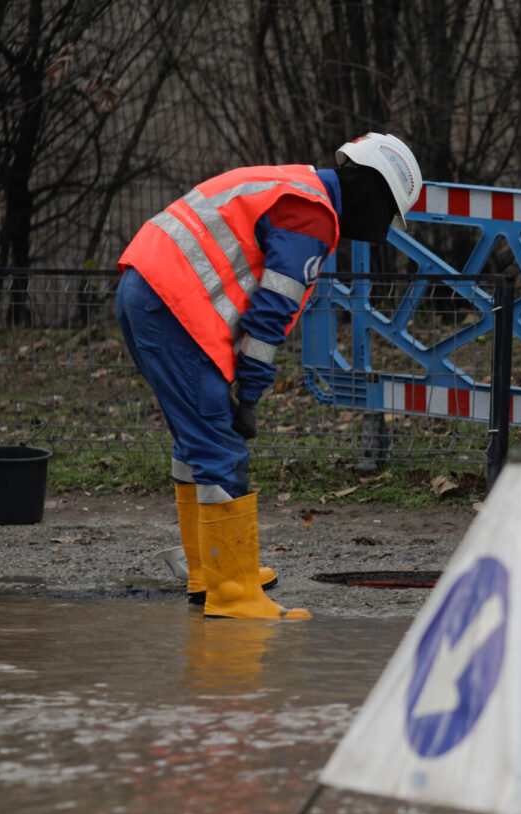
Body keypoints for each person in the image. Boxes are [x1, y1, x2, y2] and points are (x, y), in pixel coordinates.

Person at [116, 132, 422, 620]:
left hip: (148, 290)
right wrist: (251, 394)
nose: (382, 230)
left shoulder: (293, 187)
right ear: (372, 189)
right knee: (219, 445)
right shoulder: (313, 216)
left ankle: (209, 573)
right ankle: (233, 593)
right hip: (173, 306)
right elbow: (270, 314)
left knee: (196, 439)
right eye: (388, 214)